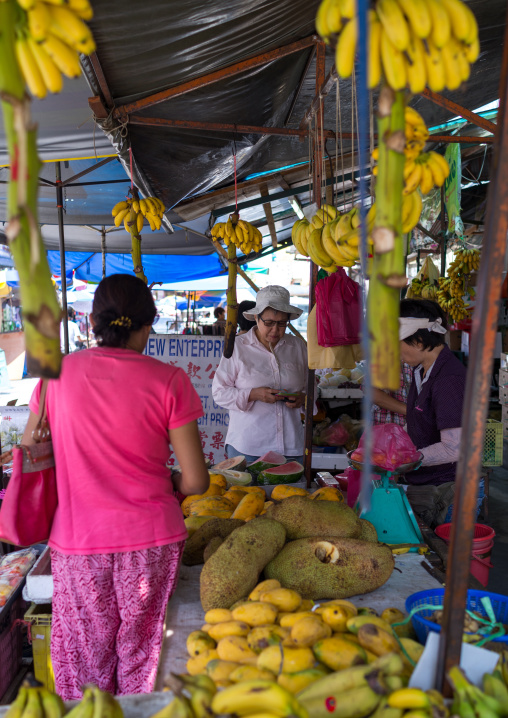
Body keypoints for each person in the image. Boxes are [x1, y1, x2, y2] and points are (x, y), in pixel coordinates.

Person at [22, 274, 209, 699]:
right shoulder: (170, 380)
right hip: (151, 539)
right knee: (142, 653)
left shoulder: (56, 375)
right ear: (148, 324)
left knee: (85, 656)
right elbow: (196, 481)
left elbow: (32, 446)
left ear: (92, 322)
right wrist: (170, 480)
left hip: (78, 539)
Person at [398, 299, 483, 524]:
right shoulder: (422, 371)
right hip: (428, 482)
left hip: (449, 490)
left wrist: (404, 459)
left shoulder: (448, 380)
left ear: (417, 341)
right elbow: (420, 419)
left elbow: (454, 448)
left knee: (444, 555)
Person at [212, 285, 307, 464]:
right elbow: (219, 392)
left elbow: (311, 387)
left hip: (290, 445)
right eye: (269, 323)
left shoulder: (298, 347)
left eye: (281, 324)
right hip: (248, 446)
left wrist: (303, 399)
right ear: (256, 318)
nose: (275, 330)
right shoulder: (237, 347)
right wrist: (253, 394)